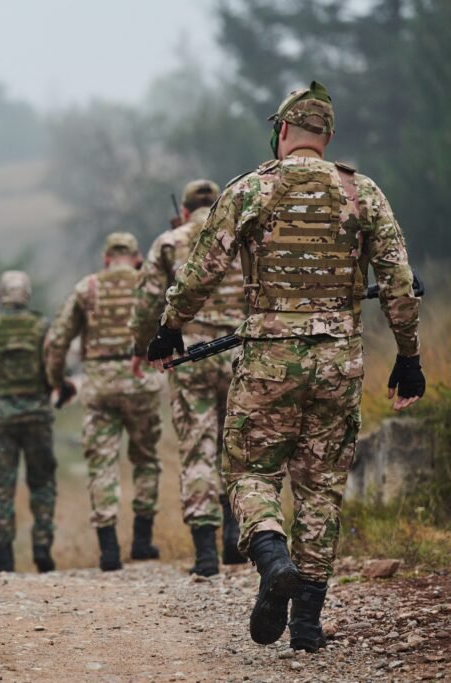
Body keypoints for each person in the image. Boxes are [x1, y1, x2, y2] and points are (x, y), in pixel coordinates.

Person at [148, 81, 424, 652]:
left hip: (269, 359)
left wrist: (170, 327)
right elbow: (398, 282)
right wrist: (409, 357)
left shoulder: (252, 188)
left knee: (249, 471)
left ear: (281, 132)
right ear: (326, 136)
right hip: (339, 362)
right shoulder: (362, 192)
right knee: (322, 488)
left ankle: (272, 556)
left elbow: (202, 268)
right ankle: (306, 624)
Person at [130, 179, 245, 577]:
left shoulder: (169, 241)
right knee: (237, 445)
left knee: (198, 447)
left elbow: (147, 301)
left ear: (184, 208)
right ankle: (235, 535)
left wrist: (141, 346)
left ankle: (204, 551)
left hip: (189, 355)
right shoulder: (241, 231)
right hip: (238, 351)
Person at [45, 232, 163, 571]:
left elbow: (57, 340)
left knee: (102, 463)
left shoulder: (87, 288)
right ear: (137, 257)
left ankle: (109, 549)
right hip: (140, 380)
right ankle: (142, 541)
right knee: (146, 459)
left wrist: (58, 382)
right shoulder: (149, 283)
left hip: (99, 387)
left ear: (106, 257)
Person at [0, 270, 56, 573]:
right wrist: (60, 388)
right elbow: (55, 370)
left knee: (0, 487)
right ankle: (43, 548)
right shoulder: (42, 326)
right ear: (27, 294)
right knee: (42, 482)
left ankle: (4, 557)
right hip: (38, 416)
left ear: (1, 294)